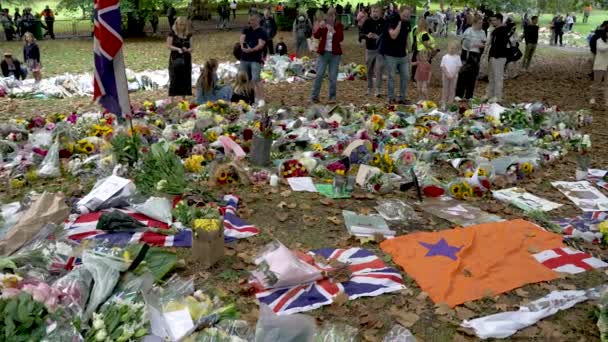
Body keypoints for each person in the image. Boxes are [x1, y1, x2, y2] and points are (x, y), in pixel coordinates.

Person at [310, 8, 344, 104]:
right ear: (327, 16)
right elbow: (316, 36)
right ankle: (314, 96)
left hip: (335, 54)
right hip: (323, 53)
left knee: (333, 76)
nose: (331, 17)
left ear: (335, 16)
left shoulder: (339, 25)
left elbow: (340, 39)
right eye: (329, 15)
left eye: (333, 15)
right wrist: (320, 28)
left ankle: (332, 97)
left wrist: (333, 31)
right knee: (319, 75)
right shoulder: (323, 24)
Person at [456, 16, 485, 100]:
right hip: (467, 54)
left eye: (482, 23)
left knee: (473, 75)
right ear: (474, 23)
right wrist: (474, 44)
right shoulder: (468, 31)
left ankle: (469, 95)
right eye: (479, 23)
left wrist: (477, 44)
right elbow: (465, 43)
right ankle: (459, 95)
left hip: (476, 55)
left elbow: (484, 44)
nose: (481, 25)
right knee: (463, 74)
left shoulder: (482, 32)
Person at [240, 14, 267, 104]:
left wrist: (252, 49)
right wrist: (242, 47)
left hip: (255, 58)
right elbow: (242, 39)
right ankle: (247, 98)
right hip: (244, 58)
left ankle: (261, 99)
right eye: (250, 20)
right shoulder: (246, 29)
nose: (251, 22)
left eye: (253, 20)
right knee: (244, 79)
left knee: (256, 79)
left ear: (258, 20)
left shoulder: (262, 31)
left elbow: (261, 44)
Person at [166, 17, 193, 100]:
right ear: (176, 24)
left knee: (185, 77)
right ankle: (172, 98)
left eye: (184, 25)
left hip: (186, 59)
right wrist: (177, 49)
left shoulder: (189, 35)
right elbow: (168, 45)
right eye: (180, 24)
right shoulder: (172, 34)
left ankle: (183, 98)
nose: (182, 26)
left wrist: (187, 50)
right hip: (175, 58)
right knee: (174, 77)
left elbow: (192, 47)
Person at [361, 5, 385, 97]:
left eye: (377, 11)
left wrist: (378, 37)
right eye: (373, 11)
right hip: (369, 49)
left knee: (379, 69)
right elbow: (361, 33)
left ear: (380, 12)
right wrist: (367, 35)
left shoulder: (383, 22)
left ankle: (378, 90)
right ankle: (369, 88)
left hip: (380, 50)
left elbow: (387, 35)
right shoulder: (367, 21)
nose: (375, 13)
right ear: (370, 12)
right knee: (369, 70)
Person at [485, 13, 509, 103]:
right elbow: (492, 43)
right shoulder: (495, 30)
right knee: (491, 77)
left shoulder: (503, 30)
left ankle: (497, 97)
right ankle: (490, 94)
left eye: (494, 20)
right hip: (492, 56)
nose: (492, 22)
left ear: (499, 20)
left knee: (498, 77)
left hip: (499, 57)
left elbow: (503, 45)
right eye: (491, 20)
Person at [411, 17, 436, 83]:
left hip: (419, 50)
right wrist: (432, 48)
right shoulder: (424, 33)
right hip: (424, 51)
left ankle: (416, 78)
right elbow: (426, 43)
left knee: (418, 64)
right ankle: (423, 78)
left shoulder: (418, 31)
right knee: (425, 64)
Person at [440, 41, 462, 110]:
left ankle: (450, 103)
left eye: (454, 48)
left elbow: (458, 67)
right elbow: (443, 67)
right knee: (445, 89)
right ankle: (443, 103)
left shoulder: (457, 57)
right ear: (448, 48)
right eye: (451, 48)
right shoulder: (445, 57)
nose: (452, 50)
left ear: (457, 50)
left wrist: (453, 74)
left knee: (452, 90)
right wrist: (447, 74)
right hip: (445, 76)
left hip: (454, 76)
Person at [590, 28, 608, 105]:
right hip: (599, 65)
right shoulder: (599, 40)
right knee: (597, 82)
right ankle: (593, 98)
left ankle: (606, 100)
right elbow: (601, 49)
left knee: (607, 84)